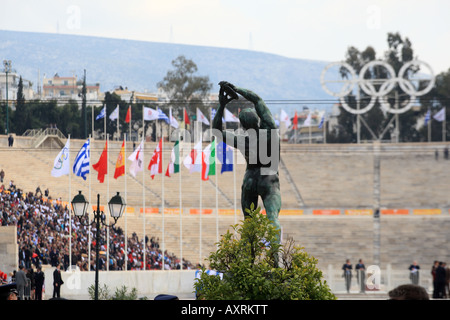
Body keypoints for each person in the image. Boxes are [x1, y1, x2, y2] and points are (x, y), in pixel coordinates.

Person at [212, 81, 281, 243]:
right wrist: (237, 90)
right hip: (268, 178)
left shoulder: (242, 140)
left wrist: (222, 106)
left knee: (249, 221)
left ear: (242, 125)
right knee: (272, 218)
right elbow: (258, 100)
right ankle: (275, 257)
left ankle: (248, 258)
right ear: (258, 119)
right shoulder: (270, 131)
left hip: (250, 179)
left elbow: (216, 131)